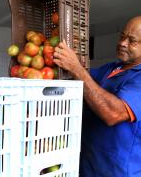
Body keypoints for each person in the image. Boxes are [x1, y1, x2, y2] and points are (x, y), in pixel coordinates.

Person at [53, 16, 141, 177]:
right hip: (87, 167)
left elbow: (112, 114)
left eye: (132, 41)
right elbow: (81, 80)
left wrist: (76, 69)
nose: (122, 43)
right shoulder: (112, 68)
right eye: (122, 36)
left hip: (117, 172)